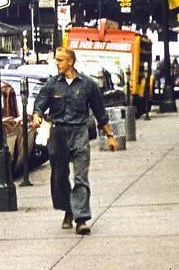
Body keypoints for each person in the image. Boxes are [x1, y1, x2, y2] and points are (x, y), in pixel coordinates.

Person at [31, 47, 116, 235]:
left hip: (79, 133)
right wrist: (37, 116)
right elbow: (40, 105)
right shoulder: (52, 84)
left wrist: (110, 136)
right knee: (59, 177)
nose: (57, 63)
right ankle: (69, 209)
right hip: (58, 133)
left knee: (80, 177)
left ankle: (81, 219)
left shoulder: (88, 85)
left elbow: (100, 113)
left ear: (70, 62)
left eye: (60, 60)